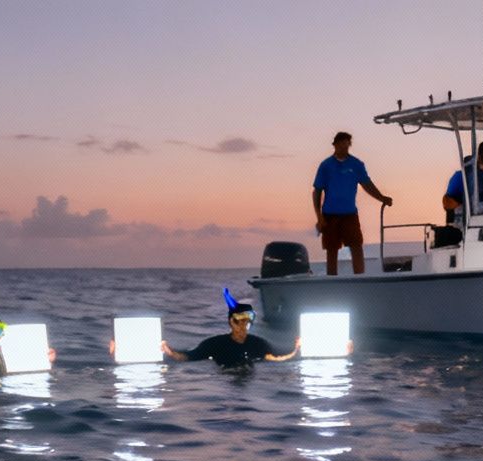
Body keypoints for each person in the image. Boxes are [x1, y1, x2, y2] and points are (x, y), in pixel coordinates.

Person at [311, 131, 393, 276]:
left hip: (349, 213)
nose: (344, 148)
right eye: (341, 145)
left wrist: (381, 197)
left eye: (347, 145)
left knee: (356, 246)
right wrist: (319, 217)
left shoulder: (356, 164)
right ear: (335, 145)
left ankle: (360, 277)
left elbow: (367, 184)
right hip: (329, 214)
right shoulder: (325, 165)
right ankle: (332, 278)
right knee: (332, 249)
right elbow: (317, 191)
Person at [156, 291, 301, 368]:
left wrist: (296, 350)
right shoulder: (214, 344)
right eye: (239, 320)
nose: (243, 324)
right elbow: (189, 357)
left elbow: (277, 358)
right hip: (223, 382)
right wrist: (170, 352)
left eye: (247, 320)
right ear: (231, 321)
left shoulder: (258, 344)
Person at [443, 141, 483, 222]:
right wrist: (464, 202)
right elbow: (447, 203)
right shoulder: (461, 176)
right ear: (480, 154)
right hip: (468, 219)